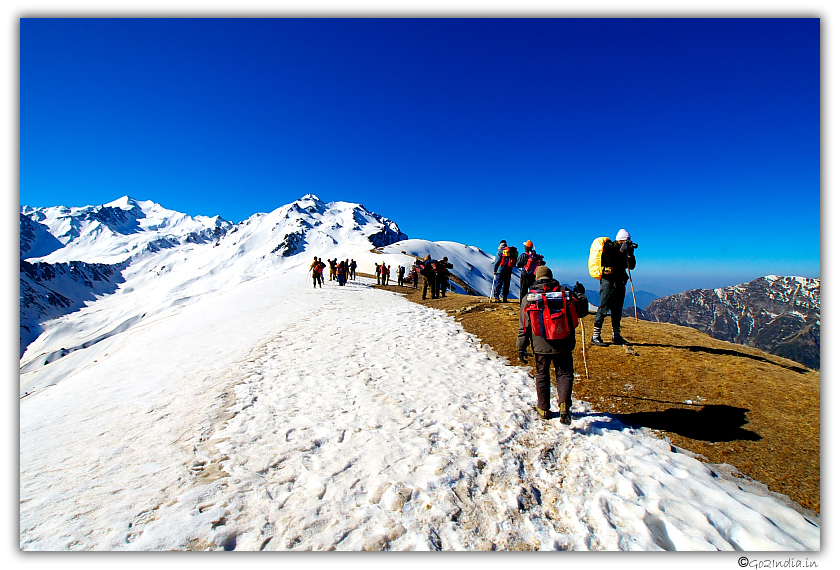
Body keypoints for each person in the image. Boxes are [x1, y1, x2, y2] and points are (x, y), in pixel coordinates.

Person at [516, 266, 589, 424]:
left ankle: (543, 409)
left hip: (540, 342)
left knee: (542, 373)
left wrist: (521, 346)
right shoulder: (566, 294)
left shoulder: (530, 297)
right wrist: (581, 294)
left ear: (537, 278)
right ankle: (564, 406)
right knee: (564, 373)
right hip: (564, 340)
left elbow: (524, 325)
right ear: (551, 276)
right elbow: (582, 311)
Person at [591, 229, 637, 346]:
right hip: (608, 281)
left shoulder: (626, 250)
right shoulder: (609, 247)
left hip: (620, 281)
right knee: (603, 307)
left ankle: (616, 335)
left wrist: (630, 254)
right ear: (622, 240)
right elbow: (611, 261)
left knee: (617, 309)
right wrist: (622, 251)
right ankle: (596, 336)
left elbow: (631, 266)